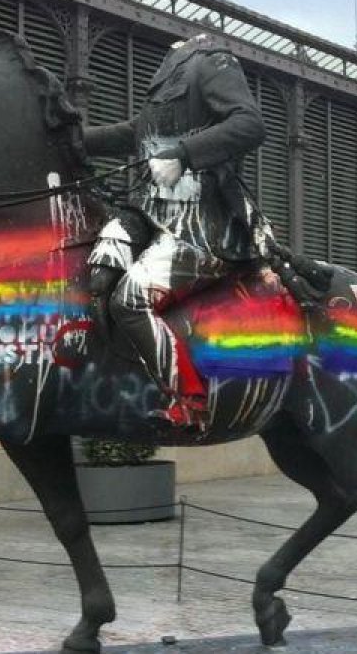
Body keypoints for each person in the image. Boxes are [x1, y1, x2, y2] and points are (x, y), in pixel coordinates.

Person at [83, 33, 270, 428]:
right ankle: (116, 380)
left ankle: (188, 399)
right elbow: (134, 132)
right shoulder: (165, 82)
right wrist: (68, 141)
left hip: (202, 225)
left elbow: (250, 124)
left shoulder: (211, 62)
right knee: (98, 268)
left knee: (131, 299)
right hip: (148, 214)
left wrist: (184, 155)